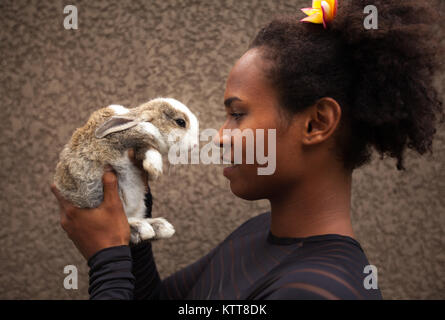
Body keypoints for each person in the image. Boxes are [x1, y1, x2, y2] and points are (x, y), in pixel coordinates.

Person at [51, 0, 443, 300]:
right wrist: (130, 216)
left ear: (316, 123)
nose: (220, 137)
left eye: (237, 114)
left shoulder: (317, 290)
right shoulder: (258, 234)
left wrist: (107, 260)